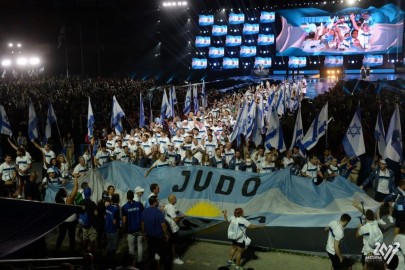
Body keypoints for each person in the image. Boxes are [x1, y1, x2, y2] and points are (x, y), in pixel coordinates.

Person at [141, 195, 171, 270]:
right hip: (159, 237)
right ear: (154, 202)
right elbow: (163, 225)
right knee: (163, 254)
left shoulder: (145, 211)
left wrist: (144, 233)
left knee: (151, 253)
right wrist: (166, 234)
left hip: (149, 236)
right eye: (157, 201)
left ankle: (151, 267)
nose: (158, 202)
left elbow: (142, 223)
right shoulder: (158, 212)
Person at [352, 201, 383, 266]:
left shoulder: (364, 227)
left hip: (368, 251)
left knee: (366, 266)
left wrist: (358, 227)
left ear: (365, 218)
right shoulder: (375, 222)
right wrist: (358, 207)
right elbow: (366, 213)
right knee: (375, 266)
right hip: (376, 249)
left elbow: (357, 235)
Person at [55, 175, 79, 255]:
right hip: (71, 221)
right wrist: (75, 178)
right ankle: (71, 252)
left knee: (61, 236)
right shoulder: (69, 200)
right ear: (64, 194)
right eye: (65, 191)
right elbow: (76, 188)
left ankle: (57, 250)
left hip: (63, 221)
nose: (67, 192)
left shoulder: (58, 201)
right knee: (71, 237)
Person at [122, 190, 144, 267]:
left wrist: (124, 229)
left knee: (131, 248)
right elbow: (142, 218)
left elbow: (124, 221)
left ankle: (132, 264)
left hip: (130, 230)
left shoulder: (124, 207)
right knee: (140, 246)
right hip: (139, 229)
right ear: (133, 196)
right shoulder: (139, 205)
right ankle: (140, 263)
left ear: (127, 197)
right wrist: (143, 229)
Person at [164, 194, 185, 265]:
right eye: (175, 198)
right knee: (174, 244)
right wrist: (182, 216)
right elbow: (175, 220)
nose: (176, 200)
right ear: (172, 200)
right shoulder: (171, 208)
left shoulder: (167, 206)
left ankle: (171, 257)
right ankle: (174, 259)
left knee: (171, 244)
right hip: (174, 229)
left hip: (170, 228)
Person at [79, 187, 98, 254]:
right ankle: (91, 253)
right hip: (91, 224)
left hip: (84, 224)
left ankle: (85, 251)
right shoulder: (92, 203)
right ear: (90, 194)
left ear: (84, 193)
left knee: (85, 237)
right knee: (92, 239)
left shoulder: (81, 202)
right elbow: (96, 213)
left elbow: (79, 211)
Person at [105, 193, 121, 257]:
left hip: (107, 229)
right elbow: (114, 222)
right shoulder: (116, 209)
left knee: (109, 245)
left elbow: (106, 217)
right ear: (118, 200)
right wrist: (119, 227)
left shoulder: (108, 206)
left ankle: (108, 259)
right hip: (113, 230)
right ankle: (112, 261)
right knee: (114, 248)